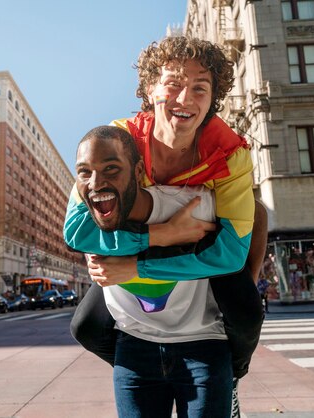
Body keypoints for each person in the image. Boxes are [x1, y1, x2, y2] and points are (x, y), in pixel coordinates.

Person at [64, 36, 267, 417]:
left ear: (212, 99)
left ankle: (231, 374)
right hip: (146, 236)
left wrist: (138, 267)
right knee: (86, 327)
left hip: (200, 241)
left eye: (200, 89)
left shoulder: (230, 153)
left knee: (246, 311)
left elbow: (228, 254)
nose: (185, 98)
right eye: (173, 84)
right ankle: (145, 369)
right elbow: (77, 231)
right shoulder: (120, 139)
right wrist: (159, 236)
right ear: (148, 90)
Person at [73, 125, 231, 417]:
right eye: (85, 172)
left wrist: (135, 266)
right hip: (133, 352)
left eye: (111, 169)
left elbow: (256, 213)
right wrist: (159, 236)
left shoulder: (191, 204)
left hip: (203, 347)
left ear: (136, 171)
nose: (96, 183)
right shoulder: (85, 223)